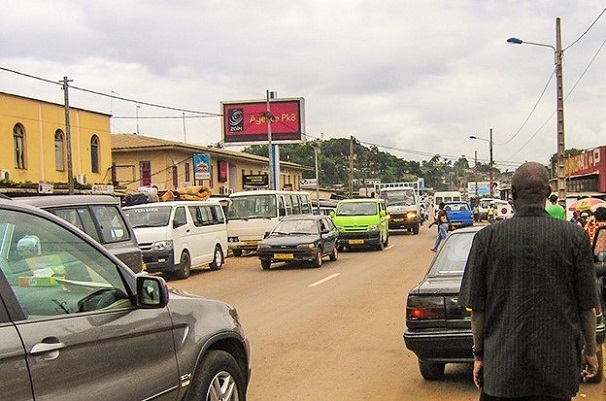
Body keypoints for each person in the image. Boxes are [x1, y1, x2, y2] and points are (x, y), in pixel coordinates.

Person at [459, 162, 599, 400]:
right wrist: (591, 351)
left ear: (512, 195)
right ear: (547, 193)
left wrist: (479, 355)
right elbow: (587, 305)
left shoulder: (487, 238)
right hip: (556, 372)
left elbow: (477, 311)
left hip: (502, 372)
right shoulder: (574, 237)